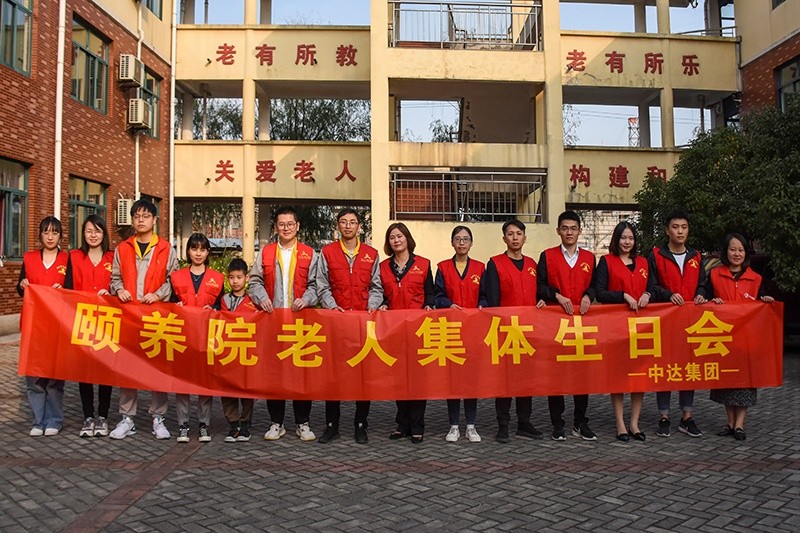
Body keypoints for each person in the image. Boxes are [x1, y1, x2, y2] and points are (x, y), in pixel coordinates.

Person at [109, 199, 179, 440]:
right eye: (137, 216)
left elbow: (173, 280)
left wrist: (158, 294)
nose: (141, 220)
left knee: (157, 368)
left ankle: (158, 417)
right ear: (132, 220)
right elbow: (115, 278)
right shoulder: (123, 248)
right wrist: (119, 289)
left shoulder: (166, 249)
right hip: (129, 317)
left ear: (154, 220)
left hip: (156, 318)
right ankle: (127, 418)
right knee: (128, 367)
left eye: (146, 216)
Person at [249, 206, 319, 442]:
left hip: (301, 324)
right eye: (282, 224)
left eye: (290, 224)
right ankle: (276, 422)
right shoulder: (266, 253)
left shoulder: (310, 254)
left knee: (301, 374)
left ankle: (303, 422)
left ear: (297, 226)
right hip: (273, 324)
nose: (286, 228)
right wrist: (262, 298)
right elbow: (254, 282)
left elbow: (317, 285)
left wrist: (306, 299)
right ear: (275, 227)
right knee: (275, 373)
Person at [695, 233, 774, 441]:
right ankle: (730, 422)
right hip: (723, 340)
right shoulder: (715, 275)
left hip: (747, 341)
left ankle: (740, 424)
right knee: (727, 381)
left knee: (745, 382)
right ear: (726, 252)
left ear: (746, 253)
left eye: (741, 250)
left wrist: (765, 301)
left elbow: (761, 302)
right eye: (732, 249)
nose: (736, 254)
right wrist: (709, 300)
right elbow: (704, 297)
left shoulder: (755, 278)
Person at [316, 208, 383, 445]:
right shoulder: (328, 252)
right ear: (338, 226)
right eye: (343, 222)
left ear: (359, 227)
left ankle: (361, 424)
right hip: (336, 323)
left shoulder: (371, 254)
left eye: (352, 222)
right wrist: (332, 307)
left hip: (363, 325)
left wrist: (370, 308)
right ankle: (331, 425)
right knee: (333, 376)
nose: (348, 226)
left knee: (362, 376)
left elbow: (377, 287)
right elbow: (322, 285)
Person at [481, 219, 544, 444]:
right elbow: (493, 300)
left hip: (528, 332)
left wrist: (542, 301)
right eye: (510, 234)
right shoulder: (495, 263)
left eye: (519, 233)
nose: (515, 237)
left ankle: (524, 423)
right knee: (505, 380)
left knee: (526, 378)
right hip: (506, 332)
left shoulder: (532, 264)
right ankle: (503, 424)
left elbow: (538, 293)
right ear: (504, 238)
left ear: (525, 237)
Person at [536, 211, 597, 442]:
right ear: (558, 231)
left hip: (582, 325)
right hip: (556, 325)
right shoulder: (548, 256)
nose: (569, 232)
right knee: (556, 375)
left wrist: (589, 295)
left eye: (573, 228)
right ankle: (557, 423)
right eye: (565, 228)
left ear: (579, 231)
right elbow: (539, 286)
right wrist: (556, 295)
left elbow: (596, 286)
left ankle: (580, 422)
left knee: (582, 375)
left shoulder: (590, 258)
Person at [594, 221, 653, 443]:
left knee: (639, 376)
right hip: (616, 328)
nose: (627, 242)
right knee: (618, 376)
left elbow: (653, 287)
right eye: (623, 238)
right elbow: (600, 292)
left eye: (630, 238)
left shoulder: (644, 262)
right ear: (616, 240)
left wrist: (648, 294)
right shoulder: (606, 262)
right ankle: (620, 423)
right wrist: (623, 296)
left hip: (642, 328)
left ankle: (634, 423)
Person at [648, 211, 705, 438]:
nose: (680, 231)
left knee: (688, 368)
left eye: (684, 227)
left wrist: (701, 294)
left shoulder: (696, 256)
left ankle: (686, 416)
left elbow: (703, 284)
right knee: (665, 367)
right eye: (675, 227)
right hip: (666, 322)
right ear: (667, 230)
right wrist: (668, 295)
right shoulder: (656, 255)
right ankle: (664, 416)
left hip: (691, 322)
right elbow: (651, 286)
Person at [380, 222, 434, 444]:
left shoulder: (423, 264)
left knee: (418, 378)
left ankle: (417, 425)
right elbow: (382, 295)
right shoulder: (383, 267)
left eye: (400, 236)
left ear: (407, 239)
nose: (396, 240)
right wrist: (383, 304)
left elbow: (430, 294)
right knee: (398, 378)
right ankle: (402, 424)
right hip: (394, 330)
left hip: (418, 330)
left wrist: (429, 305)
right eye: (392, 237)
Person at [17, 216, 69, 437]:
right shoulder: (29, 258)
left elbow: (73, 289)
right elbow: (20, 288)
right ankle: (38, 421)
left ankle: (54, 420)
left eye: (54, 233)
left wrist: (63, 290)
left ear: (60, 236)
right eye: (46, 232)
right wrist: (23, 285)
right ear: (40, 235)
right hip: (33, 325)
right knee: (34, 376)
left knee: (55, 377)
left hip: (57, 325)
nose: (50, 237)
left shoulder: (67, 260)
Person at [170, 233, 223, 443]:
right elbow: (169, 303)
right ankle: (183, 424)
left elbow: (221, 307)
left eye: (202, 249)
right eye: (194, 249)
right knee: (182, 383)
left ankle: (203, 424)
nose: (198, 253)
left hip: (206, 337)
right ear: (188, 251)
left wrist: (215, 309)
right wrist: (175, 307)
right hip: (183, 338)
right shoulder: (177, 277)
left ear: (208, 252)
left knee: (204, 382)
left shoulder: (218, 278)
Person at [64, 214, 115, 438]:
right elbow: (67, 287)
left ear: (104, 234)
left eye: (97, 231)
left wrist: (111, 293)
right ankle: (88, 417)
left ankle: (103, 416)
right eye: (88, 231)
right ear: (83, 233)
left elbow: (120, 284)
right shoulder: (74, 257)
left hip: (107, 321)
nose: (93, 235)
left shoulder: (113, 257)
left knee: (105, 371)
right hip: (82, 321)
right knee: (84, 371)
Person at [434, 225, 485, 443]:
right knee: (453, 380)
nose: (461, 243)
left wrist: (482, 305)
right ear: (452, 243)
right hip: (451, 331)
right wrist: (448, 304)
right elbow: (437, 296)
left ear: (471, 243)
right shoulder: (443, 268)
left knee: (471, 379)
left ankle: (471, 425)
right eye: (457, 239)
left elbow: (486, 295)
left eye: (465, 239)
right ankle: (454, 425)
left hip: (473, 331)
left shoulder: (481, 268)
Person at [218, 257, 259, 442]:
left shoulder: (253, 301)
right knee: (227, 388)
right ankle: (233, 424)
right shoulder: (224, 300)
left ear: (247, 278)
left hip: (246, 351)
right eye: (232, 277)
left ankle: (246, 424)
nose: (235, 281)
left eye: (239, 277)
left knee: (246, 388)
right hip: (228, 351)